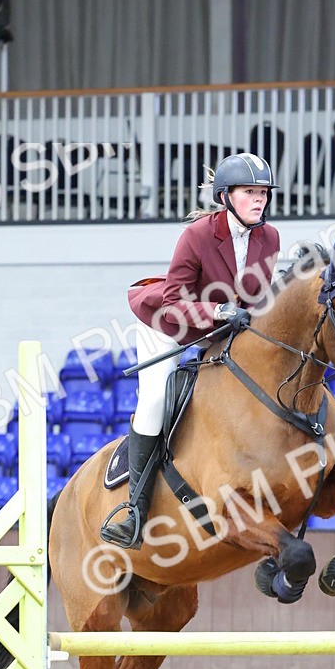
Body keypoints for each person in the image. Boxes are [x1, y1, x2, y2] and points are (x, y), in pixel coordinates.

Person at [100, 152, 281, 549]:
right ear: (226, 196)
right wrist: (218, 309)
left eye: (263, 192)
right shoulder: (198, 235)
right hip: (168, 323)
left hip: (220, 326)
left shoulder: (269, 237)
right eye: (250, 192)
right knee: (153, 401)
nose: (260, 199)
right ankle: (133, 511)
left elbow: (259, 295)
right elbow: (172, 302)